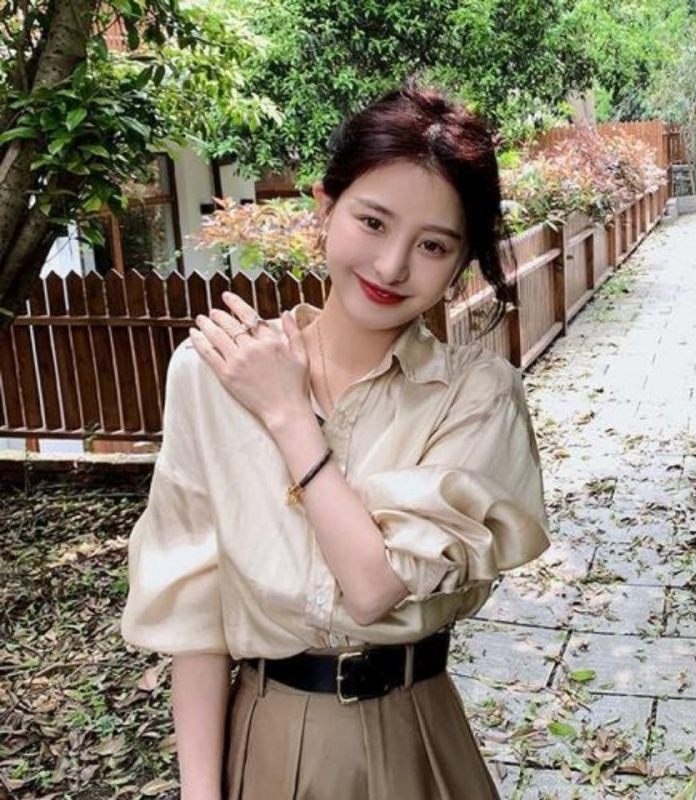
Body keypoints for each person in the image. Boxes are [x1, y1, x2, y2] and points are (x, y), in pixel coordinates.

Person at [121, 85, 551, 800]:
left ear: (460, 262)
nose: (391, 266)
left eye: (432, 245)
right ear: (325, 209)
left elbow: (374, 587)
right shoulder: (211, 373)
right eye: (372, 222)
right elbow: (197, 614)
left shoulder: (478, 397)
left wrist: (288, 414)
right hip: (266, 735)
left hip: (413, 730)